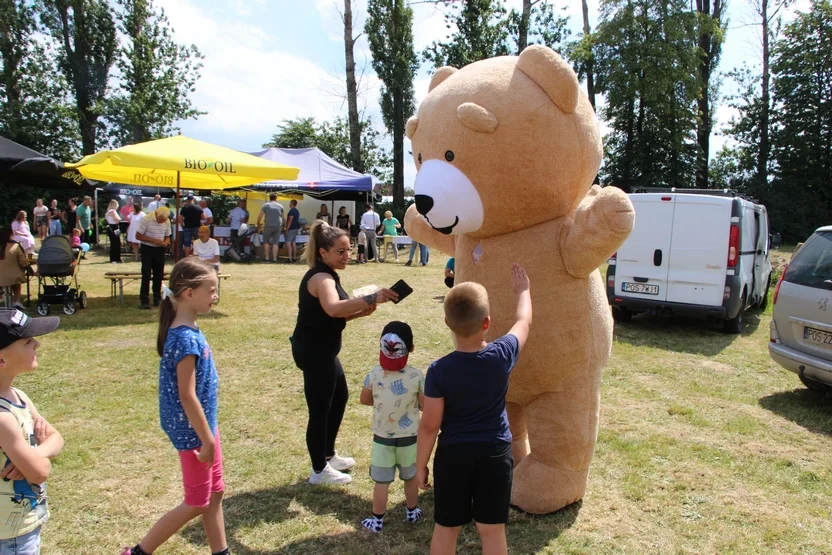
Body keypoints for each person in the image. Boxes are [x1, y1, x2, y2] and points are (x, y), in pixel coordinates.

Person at [416, 264, 532, 555]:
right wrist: (523, 291)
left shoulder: (438, 371)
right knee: (492, 530)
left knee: (446, 526)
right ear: (487, 322)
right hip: (494, 453)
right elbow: (524, 321)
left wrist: (419, 465)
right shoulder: (502, 354)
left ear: (447, 322)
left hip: (453, 455)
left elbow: (430, 425)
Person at [122, 258, 228, 555]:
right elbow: (186, 394)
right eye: (211, 290)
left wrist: (209, 434)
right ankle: (139, 552)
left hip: (206, 426)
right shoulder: (184, 338)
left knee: (215, 492)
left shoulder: (188, 327)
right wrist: (206, 440)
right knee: (197, 501)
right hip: (194, 433)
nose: (215, 296)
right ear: (188, 293)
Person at [290, 221, 398, 485]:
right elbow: (333, 309)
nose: (346, 255)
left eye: (348, 250)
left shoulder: (329, 275)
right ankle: (318, 471)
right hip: (315, 352)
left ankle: (328, 455)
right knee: (319, 410)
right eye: (340, 251)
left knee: (338, 399)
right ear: (323, 252)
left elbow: (331, 317)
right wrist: (372, 298)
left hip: (323, 350)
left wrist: (361, 311)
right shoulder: (321, 278)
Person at [0, 308, 64, 554]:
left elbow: (56, 437)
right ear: (2, 360)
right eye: (27, 341)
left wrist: (34, 453)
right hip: (10, 535)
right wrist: (39, 459)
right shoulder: (3, 418)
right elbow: (39, 473)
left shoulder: (19, 397)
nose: (36, 344)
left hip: (20, 525)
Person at [359, 321, 425, 533]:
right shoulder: (417, 376)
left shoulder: (374, 373)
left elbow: (364, 399)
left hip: (382, 439)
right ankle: (412, 512)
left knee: (382, 482)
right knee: (410, 478)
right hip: (410, 439)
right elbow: (424, 405)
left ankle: (377, 520)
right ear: (412, 348)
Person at [135, 206, 172, 309]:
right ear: (156, 215)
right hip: (147, 248)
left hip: (160, 249)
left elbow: (168, 235)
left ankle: (157, 299)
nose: (162, 222)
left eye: (164, 220)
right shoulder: (147, 219)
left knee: (158, 274)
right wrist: (153, 240)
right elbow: (138, 235)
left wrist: (166, 242)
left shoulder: (167, 221)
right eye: (160, 220)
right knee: (146, 274)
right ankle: (144, 300)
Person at [0, 228, 35, 309]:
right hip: (14, 277)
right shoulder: (15, 246)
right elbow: (23, 262)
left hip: (1, 278)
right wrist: (31, 271)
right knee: (16, 284)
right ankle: (17, 301)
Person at [257, 193, 284, 263]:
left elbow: (260, 215)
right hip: (278, 226)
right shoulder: (280, 206)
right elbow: (283, 218)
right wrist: (285, 225)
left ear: (270, 198)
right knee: (275, 243)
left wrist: (258, 223)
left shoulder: (265, 205)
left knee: (266, 242)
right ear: (276, 198)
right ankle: (274, 259)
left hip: (268, 225)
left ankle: (267, 258)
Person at [105, 199, 123, 264]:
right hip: (113, 227)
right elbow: (117, 220)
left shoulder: (111, 211)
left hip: (115, 227)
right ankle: (113, 258)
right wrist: (119, 219)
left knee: (118, 243)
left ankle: (118, 258)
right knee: (114, 243)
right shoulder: (112, 211)